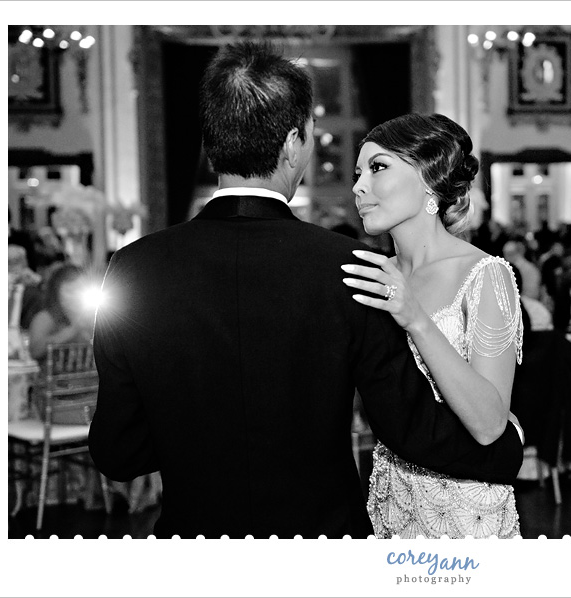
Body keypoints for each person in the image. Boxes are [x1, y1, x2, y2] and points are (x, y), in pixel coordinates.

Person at [88, 42, 523, 540]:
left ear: (210, 144)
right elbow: (410, 427)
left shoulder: (132, 268)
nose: (359, 186)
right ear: (294, 144)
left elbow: (118, 454)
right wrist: (506, 446)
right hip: (322, 542)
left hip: (192, 542)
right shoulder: (350, 267)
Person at [344, 113, 524, 539]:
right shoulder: (372, 276)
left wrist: (415, 318)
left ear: (428, 178)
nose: (358, 186)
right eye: (358, 173)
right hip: (390, 497)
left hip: (465, 507)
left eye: (378, 167)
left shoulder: (483, 274)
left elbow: (489, 423)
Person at [27, 264, 95, 362]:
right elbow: (35, 351)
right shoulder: (45, 318)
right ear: (56, 292)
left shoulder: (93, 316)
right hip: (52, 374)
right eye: (70, 291)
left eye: (81, 290)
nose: (76, 296)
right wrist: (72, 330)